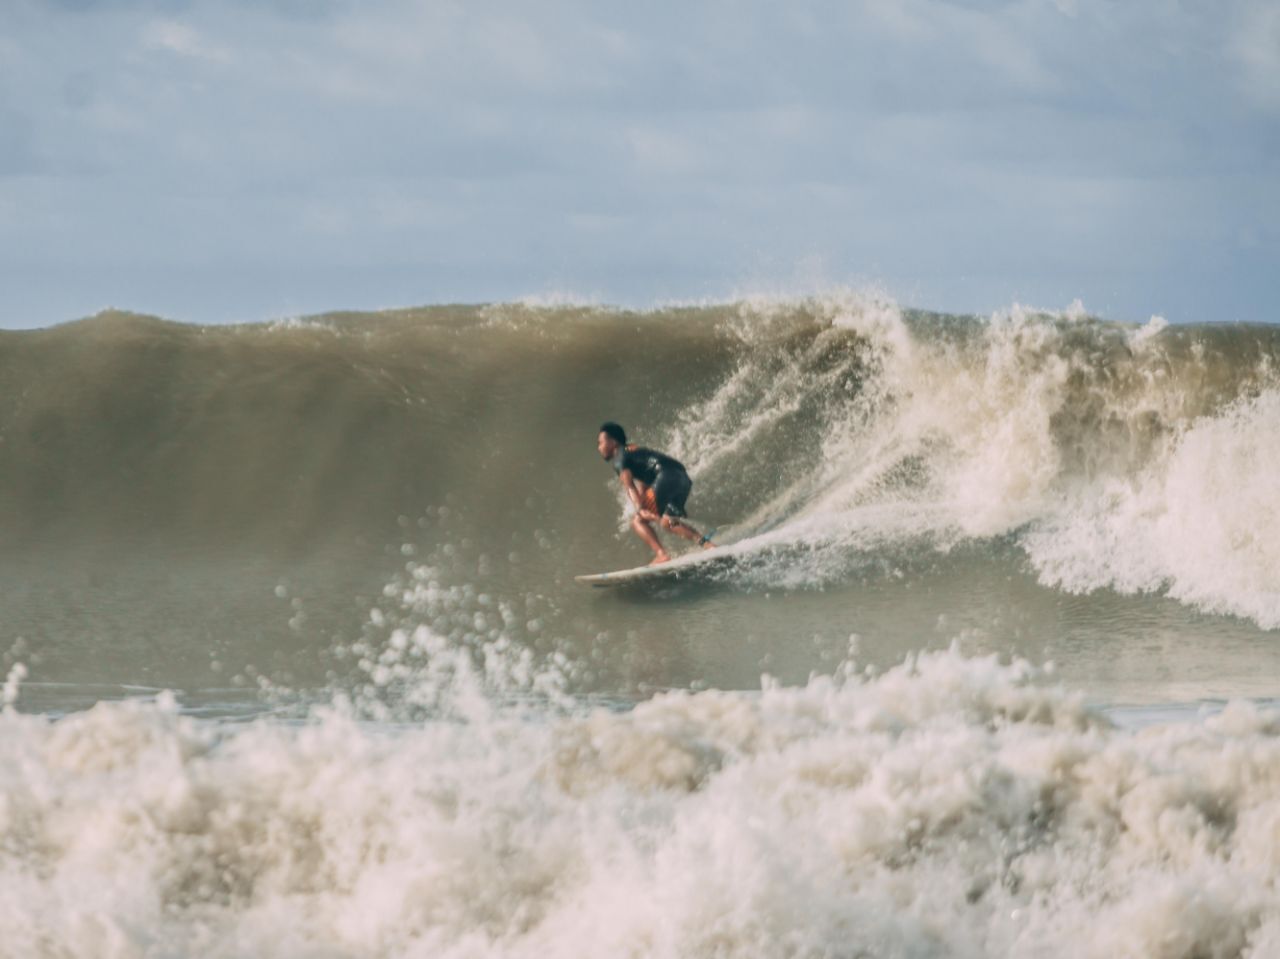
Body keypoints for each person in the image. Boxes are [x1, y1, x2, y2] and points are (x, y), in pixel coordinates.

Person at [597, 421, 713, 565]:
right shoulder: (634, 451)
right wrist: (645, 504)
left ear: (613, 442)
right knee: (668, 522)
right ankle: (708, 545)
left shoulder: (619, 459)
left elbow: (629, 487)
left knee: (638, 520)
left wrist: (639, 510)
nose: (599, 447)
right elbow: (646, 479)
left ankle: (661, 554)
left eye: (601, 442)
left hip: (665, 477)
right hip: (682, 478)